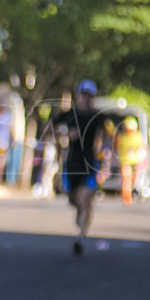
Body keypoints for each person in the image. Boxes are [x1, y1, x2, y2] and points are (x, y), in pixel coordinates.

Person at [54, 80, 106, 255]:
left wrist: (104, 165)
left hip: (90, 164)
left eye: (89, 96)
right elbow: (52, 131)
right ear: (78, 96)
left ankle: (80, 237)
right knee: (74, 199)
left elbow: (104, 140)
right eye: (83, 95)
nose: (85, 99)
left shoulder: (98, 118)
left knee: (85, 198)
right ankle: (81, 212)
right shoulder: (69, 115)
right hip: (71, 164)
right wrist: (65, 136)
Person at [115, 116, 146, 204]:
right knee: (126, 178)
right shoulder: (122, 137)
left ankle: (131, 191)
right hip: (125, 160)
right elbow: (116, 147)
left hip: (135, 160)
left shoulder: (138, 136)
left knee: (133, 179)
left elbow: (143, 147)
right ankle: (126, 196)